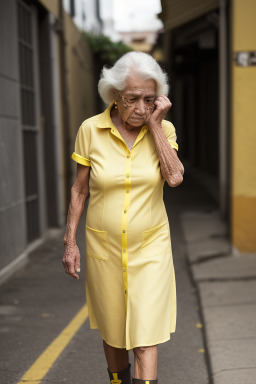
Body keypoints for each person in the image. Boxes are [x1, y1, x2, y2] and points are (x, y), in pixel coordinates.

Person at [62, 51, 184, 384]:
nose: (141, 109)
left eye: (149, 99)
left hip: (151, 250)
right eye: (132, 99)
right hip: (105, 249)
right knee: (114, 335)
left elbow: (174, 177)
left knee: (145, 339)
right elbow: (79, 190)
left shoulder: (163, 128)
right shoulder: (91, 130)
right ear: (115, 96)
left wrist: (156, 126)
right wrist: (69, 242)